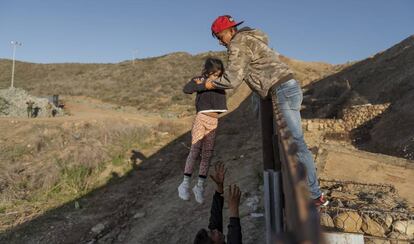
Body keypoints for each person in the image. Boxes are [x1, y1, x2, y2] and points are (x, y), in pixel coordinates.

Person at [198, 15, 327, 206]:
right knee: (290, 140)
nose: (219, 40)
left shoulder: (237, 43)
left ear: (231, 31)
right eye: (216, 37)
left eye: (220, 35)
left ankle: (315, 195)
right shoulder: (249, 39)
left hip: (281, 89)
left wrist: (209, 84)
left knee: (295, 142)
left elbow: (233, 79)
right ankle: (305, 189)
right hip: (285, 88)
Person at [178, 58, 228, 204]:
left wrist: (213, 83)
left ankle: (199, 187)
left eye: (218, 73)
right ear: (207, 71)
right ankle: (185, 184)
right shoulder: (200, 80)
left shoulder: (222, 81)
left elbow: (232, 81)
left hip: (214, 121)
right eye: (213, 73)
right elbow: (187, 89)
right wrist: (204, 85)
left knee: (207, 155)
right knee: (195, 150)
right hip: (201, 118)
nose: (215, 76)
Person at [193, 162, 242, 244]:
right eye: (213, 233)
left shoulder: (215, 238)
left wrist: (219, 189)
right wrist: (234, 209)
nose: (216, 230)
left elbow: (215, 215)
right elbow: (234, 240)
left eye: (211, 231)